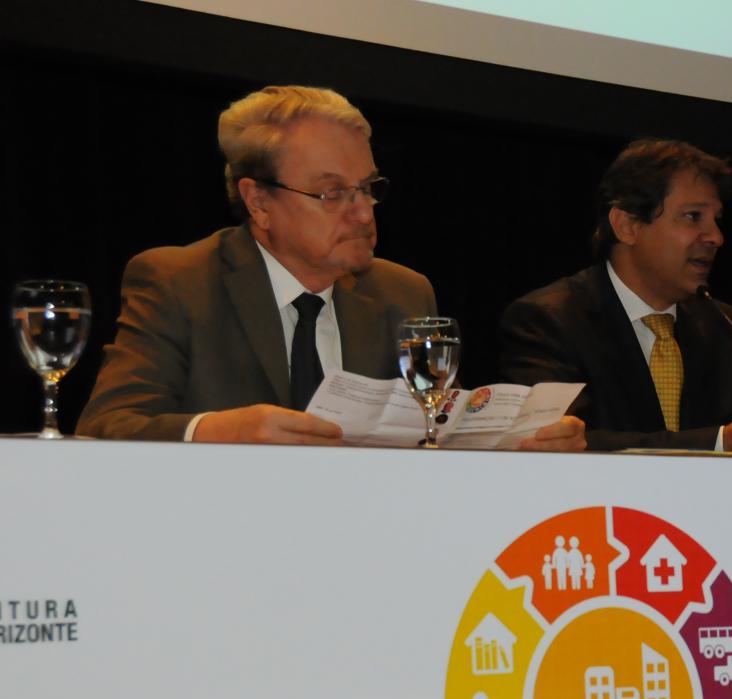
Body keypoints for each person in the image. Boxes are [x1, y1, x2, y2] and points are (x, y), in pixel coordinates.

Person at [77, 84, 583, 450]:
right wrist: (218, 430)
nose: (363, 213)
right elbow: (105, 425)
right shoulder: (180, 281)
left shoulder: (401, 293)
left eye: (368, 188)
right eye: (332, 193)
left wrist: (513, 442)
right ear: (259, 202)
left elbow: (432, 436)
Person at [498, 138, 732, 454]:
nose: (716, 237)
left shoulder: (726, 326)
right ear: (627, 225)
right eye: (693, 217)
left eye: (716, 219)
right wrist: (726, 443)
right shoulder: (548, 320)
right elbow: (560, 445)